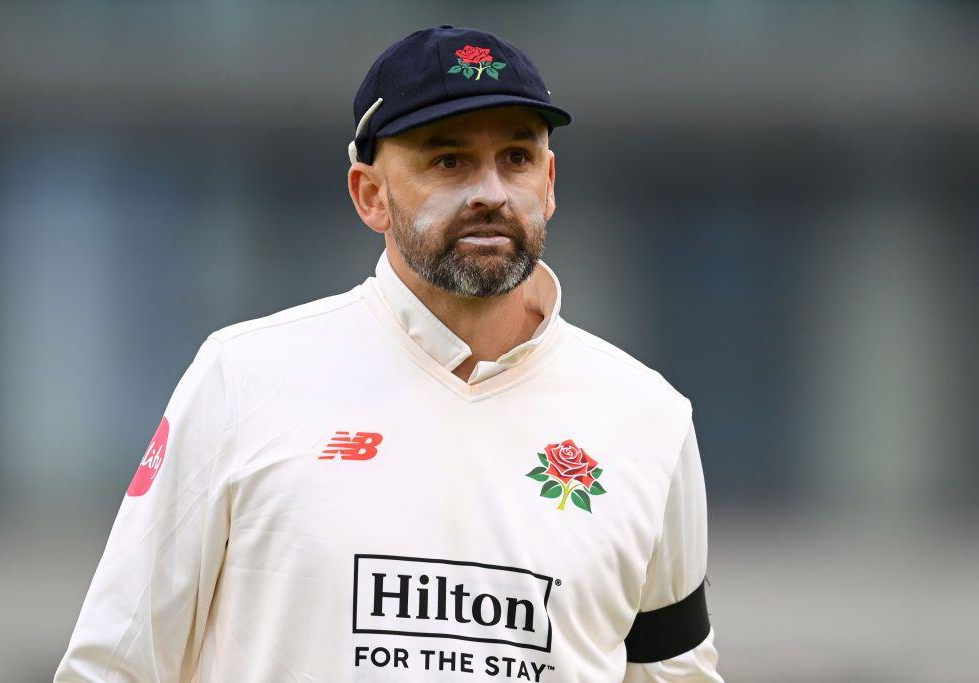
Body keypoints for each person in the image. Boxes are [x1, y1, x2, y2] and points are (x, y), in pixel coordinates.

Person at [54, 24, 723, 682]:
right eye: (448, 159)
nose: (490, 189)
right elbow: (113, 665)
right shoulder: (244, 378)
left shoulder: (648, 419)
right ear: (370, 194)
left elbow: (675, 673)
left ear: (548, 182)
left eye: (515, 158)